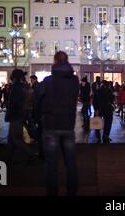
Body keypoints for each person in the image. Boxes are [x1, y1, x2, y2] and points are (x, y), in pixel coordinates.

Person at [36, 51, 80, 196]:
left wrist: (38, 116)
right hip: (68, 125)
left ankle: (52, 192)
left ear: (55, 62)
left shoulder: (48, 81)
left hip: (51, 125)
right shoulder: (74, 81)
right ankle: (72, 191)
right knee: (70, 162)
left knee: (51, 163)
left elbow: (38, 99)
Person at [6, 69, 34, 163]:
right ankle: (9, 156)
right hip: (18, 115)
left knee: (17, 139)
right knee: (11, 138)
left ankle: (30, 153)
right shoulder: (22, 87)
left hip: (16, 116)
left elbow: (16, 103)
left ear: (14, 77)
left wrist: (11, 114)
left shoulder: (16, 88)